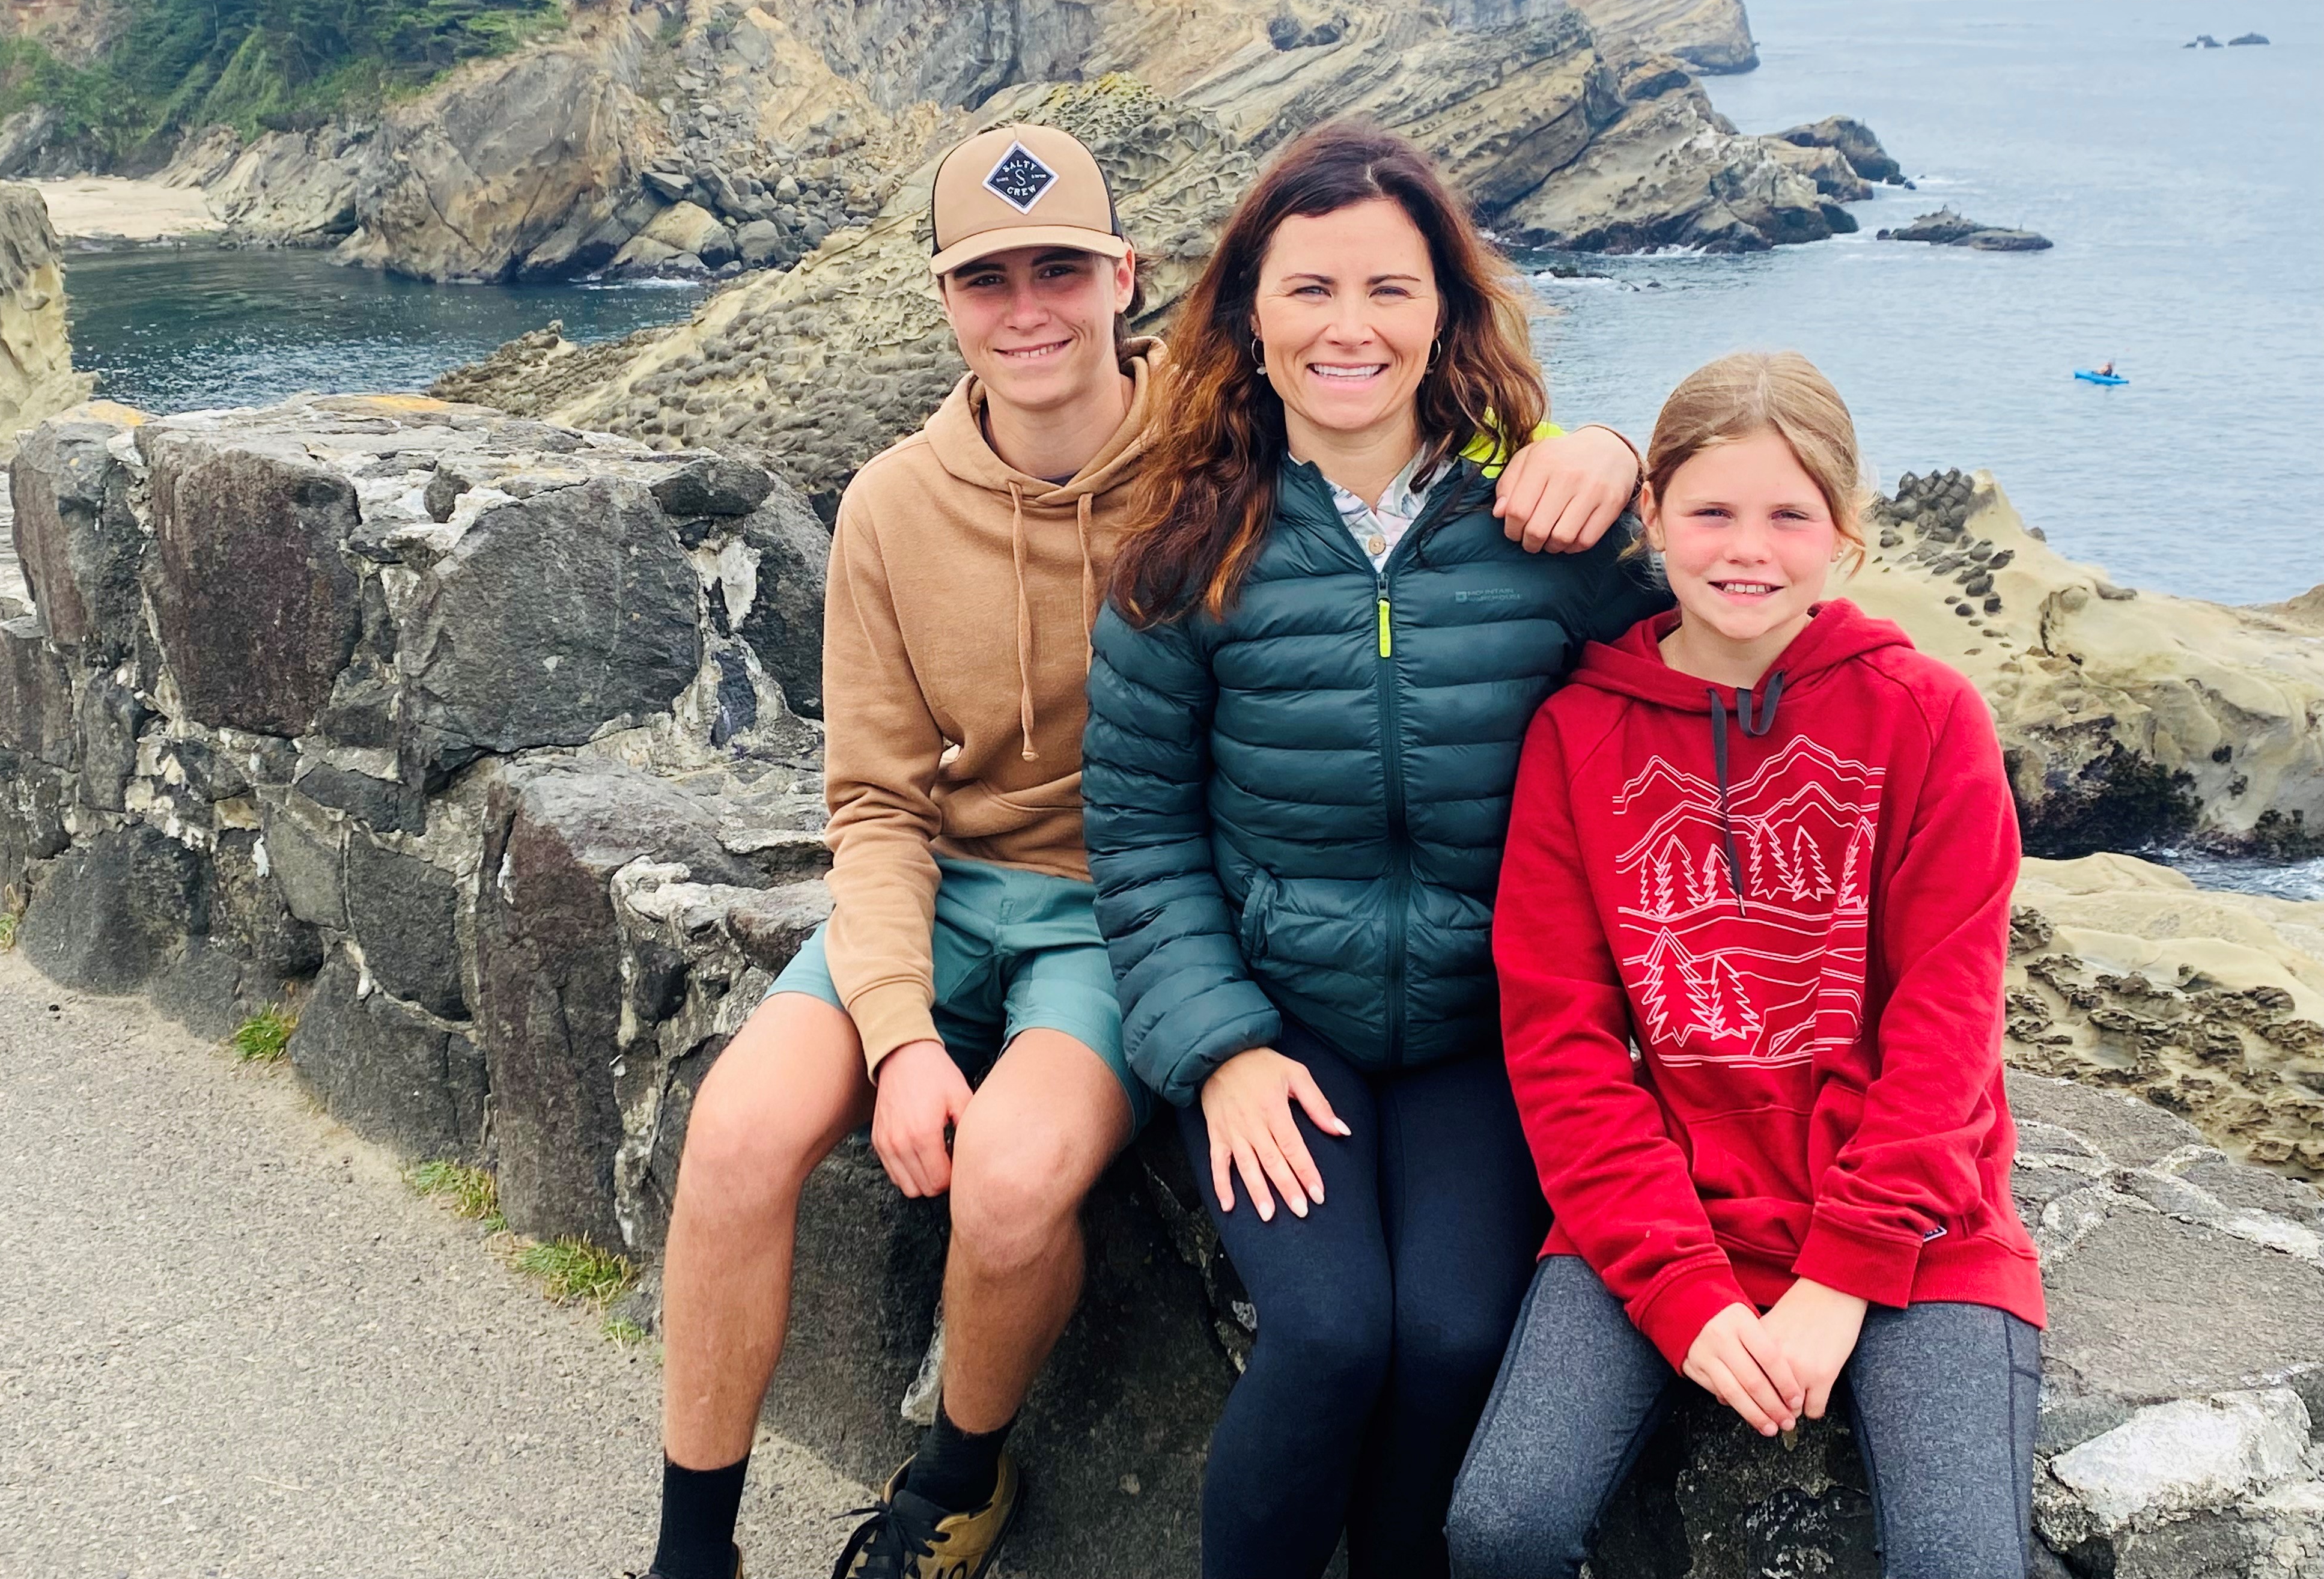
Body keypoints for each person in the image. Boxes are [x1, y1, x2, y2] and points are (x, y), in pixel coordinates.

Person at [643, 120, 1640, 1579]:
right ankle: (690, 1551)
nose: (1031, 309)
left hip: (1119, 910)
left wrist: (1602, 448)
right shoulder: (909, 506)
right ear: (943, 299)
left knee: (1021, 1179)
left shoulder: (1207, 447)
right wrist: (899, 1025)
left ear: (1133, 279)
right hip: (995, 893)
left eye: (1064, 270)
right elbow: (872, 802)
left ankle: (955, 1485)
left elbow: (1432, 439)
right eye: (990, 280)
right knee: (733, 1133)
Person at [1083, 118, 1664, 1579]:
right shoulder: (1185, 542)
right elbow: (1139, 831)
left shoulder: (1546, 529)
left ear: (1446, 316)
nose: (1352, 326)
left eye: (1391, 290)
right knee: (1333, 1331)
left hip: (1497, 1029)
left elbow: (1711, 651)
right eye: (1311, 289)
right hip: (1290, 1022)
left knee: (1458, 1335)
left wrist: (1627, 454)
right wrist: (1218, 1050)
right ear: (1249, 317)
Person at [1447, 352, 2046, 1579]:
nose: (1747, 549)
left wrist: (1842, 1280)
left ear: (1847, 534)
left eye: (1790, 516)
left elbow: (1946, 1033)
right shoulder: (1577, 733)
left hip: (1915, 1223)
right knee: (1497, 1528)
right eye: (1711, 512)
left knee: (1961, 1566)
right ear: (1652, 514)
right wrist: (1683, 1291)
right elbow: (1560, 1043)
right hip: (1664, 1207)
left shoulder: (1929, 719)